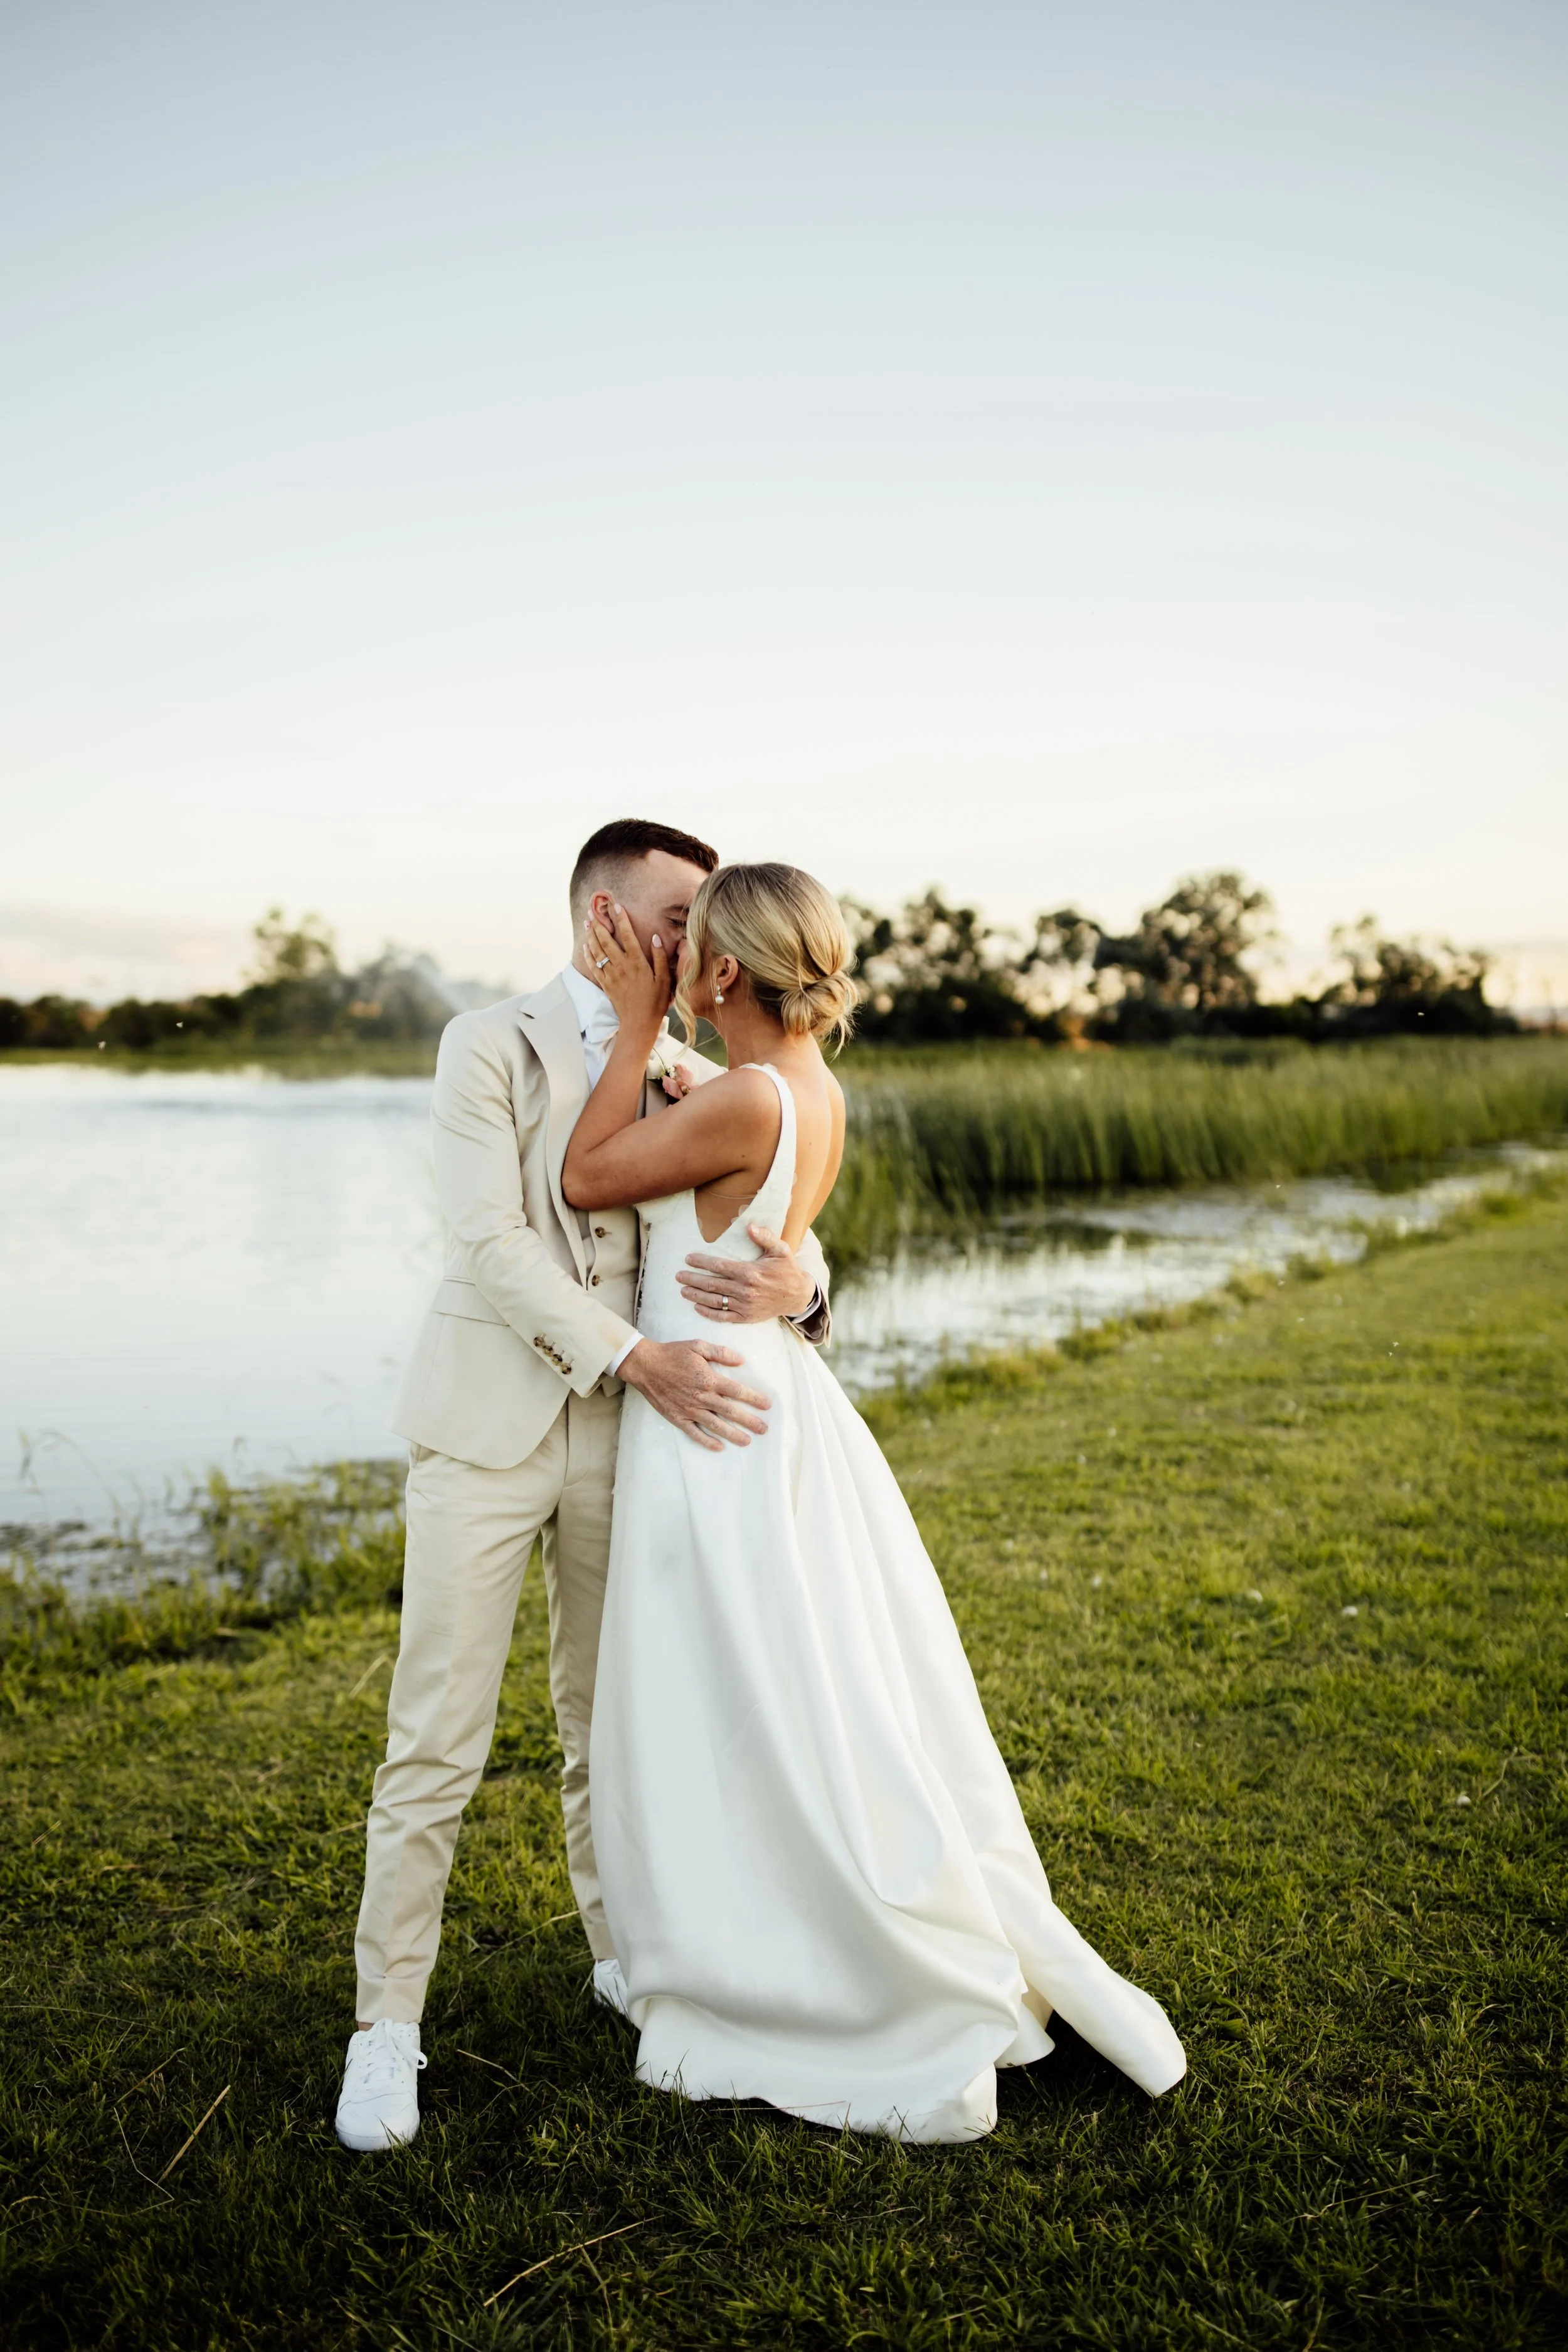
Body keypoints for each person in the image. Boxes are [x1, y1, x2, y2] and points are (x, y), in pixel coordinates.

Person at [562, 861, 1186, 2143]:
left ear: (721, 972)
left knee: (729, 1686)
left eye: (688, 955)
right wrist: (680, 1075)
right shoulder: (806, 1087)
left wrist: (633, 1034)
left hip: (710, 1420)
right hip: (773, 1399)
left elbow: (586, 1179)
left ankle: (793, 1955)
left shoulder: (738, 1094)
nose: (672, 967)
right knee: (798, 1682)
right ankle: (765, 1912)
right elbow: (755, 1224)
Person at [336, 821, 834, 2153]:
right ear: (604, 919)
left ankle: (621, 1956)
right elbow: (495, 1243)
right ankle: (387, 2027)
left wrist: (811, 1284)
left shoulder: (682, 1065)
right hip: (488, 1428)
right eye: (680, 919)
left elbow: (766, 1205)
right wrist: (640, 1358)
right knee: (435, 1735)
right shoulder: (482, 1044)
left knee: (606, 1721)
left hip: (634, 1449)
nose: (702, 945)